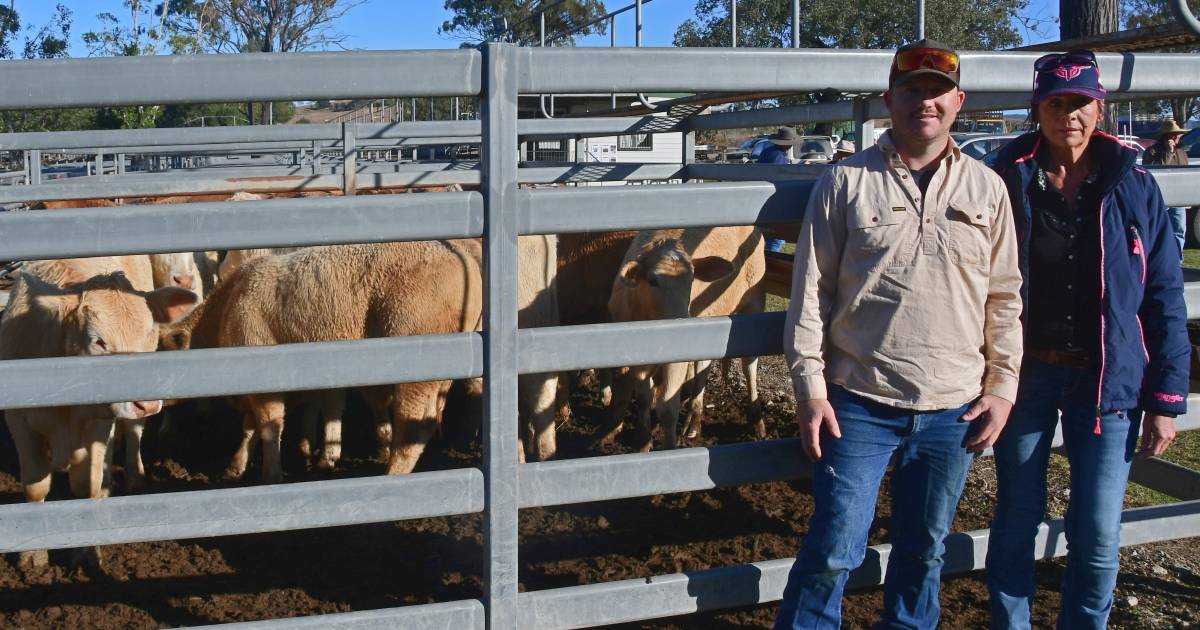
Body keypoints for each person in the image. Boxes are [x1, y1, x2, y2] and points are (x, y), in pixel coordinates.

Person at [776, 39, 1023, 629]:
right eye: (913, 91)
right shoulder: (844, 182)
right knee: (834, 551)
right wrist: (810, 389)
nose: (926, 104)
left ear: (958, 102)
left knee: (925, 551)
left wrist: (1003, 386)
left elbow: (1005, 296)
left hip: (953, 408)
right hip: (859, 401)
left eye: (938, 93)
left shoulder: (987, 189)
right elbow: (810, 291)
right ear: (890, 99)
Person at [986, 50, 1189, 629]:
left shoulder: (1134, 184)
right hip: (1024, 374)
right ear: (1037, 106)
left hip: (1109, 380)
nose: (1067, 115)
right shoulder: (1007, 176)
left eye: (1079, 103)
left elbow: (1164, 296)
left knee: (1098, 530)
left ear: (1099, 107)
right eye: (1055, 102)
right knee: (1017, 515)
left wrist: (1166, 398)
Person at [1142, 118, 1192, 255]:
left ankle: (1178, 261)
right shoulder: (1152, 151)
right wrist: (1168, 153)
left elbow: (1185, 173)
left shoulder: (1181, 152)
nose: (1176, 138)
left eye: (1177, 135)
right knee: (1158, 231)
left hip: (1179, 198)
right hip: (1160, 198)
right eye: (1173, 135)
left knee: (1179, 230)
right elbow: (1154, 171)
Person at [759, 127, 799, 252]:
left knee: (766, 233)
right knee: (777, 236)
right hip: (774, 199)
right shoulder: (779, 156)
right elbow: (779, 178)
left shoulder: (768, 151)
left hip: (762, 197)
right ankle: (772, 258)